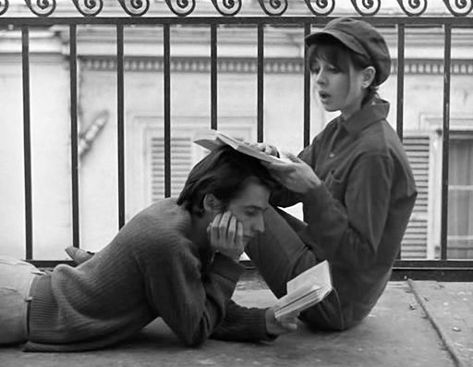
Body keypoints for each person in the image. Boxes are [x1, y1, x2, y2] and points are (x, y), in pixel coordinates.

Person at [0, 146, 297, 352]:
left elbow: (194, 301)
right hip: (18, 303)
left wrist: (263, 322)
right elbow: (195, 328)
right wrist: (228, 262)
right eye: (250, 212)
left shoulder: (184, 218)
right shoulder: (170, 242)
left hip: (24, 287)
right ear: (211, 203)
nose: (260, 227)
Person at [245, 17, 418, 330]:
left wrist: (314, 191)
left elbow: (360, 257)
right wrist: (264, 159)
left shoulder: (375, 152)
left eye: (333, 70)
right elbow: (285, 192)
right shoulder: (338, 130)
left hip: (332, 298)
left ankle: (195, 292)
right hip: (318, 265)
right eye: (316, 69)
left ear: (366, 77)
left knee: (238, 200)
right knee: (240, 182)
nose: (320, 80)